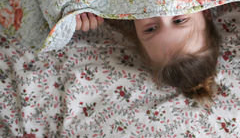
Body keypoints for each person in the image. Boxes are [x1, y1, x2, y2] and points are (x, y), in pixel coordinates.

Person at [75, 11, 219, 102]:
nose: (161, 13)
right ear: (206, 12)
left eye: (150, 29)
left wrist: (80, 14)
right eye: (179, 20)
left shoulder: (106, 9)